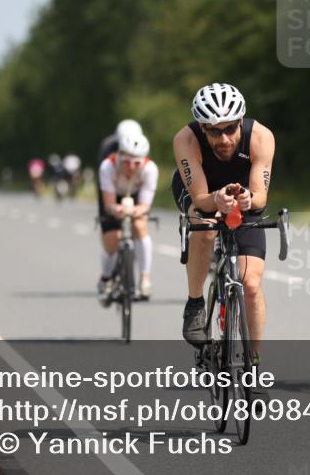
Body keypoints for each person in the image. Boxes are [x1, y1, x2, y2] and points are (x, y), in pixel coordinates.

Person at [172, 83, 275, 359]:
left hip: (243, 191)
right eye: (215, 132)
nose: (225, 139)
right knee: (204, 226)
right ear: (202, 128)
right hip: (201, 192)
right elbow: (201, 197)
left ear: (241, 121)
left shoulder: (261, 137)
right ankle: (195, 304)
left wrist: (247, 200)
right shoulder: (186, 139)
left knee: (251, 284)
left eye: (230, 128)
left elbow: (261, 197)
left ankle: (253, 364)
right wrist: (215, 200)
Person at [97, 129, 158, 303]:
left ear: (144, 161)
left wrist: (136, 212)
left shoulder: (150, 169)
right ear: (119, 156)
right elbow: (108, 204)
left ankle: (145, 278)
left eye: (136, 163)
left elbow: (145, 206)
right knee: (112, 238)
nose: (131, 167)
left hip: (136, 197)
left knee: (140, 226)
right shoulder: (107, 166)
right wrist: (115, 210)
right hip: (113, 198)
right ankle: (107, 277)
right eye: (127, 162)